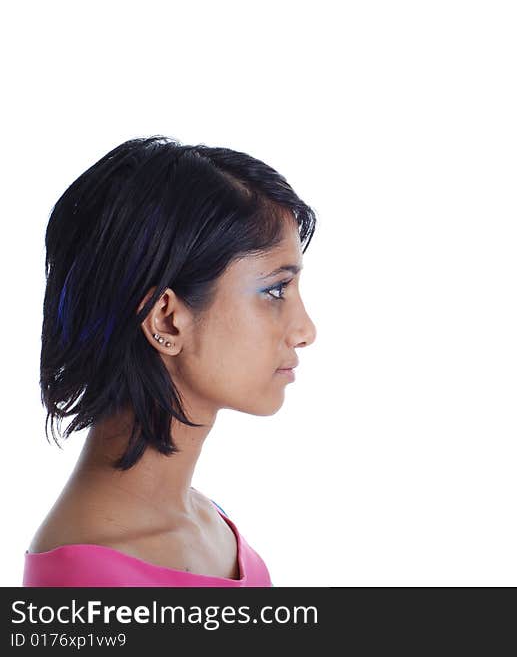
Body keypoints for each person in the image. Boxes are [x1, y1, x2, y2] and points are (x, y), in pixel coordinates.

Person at [23, 136, 317, 586]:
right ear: (167, 318)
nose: (305, 331)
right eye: (275, 290)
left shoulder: (207, 520)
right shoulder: (89, 582)